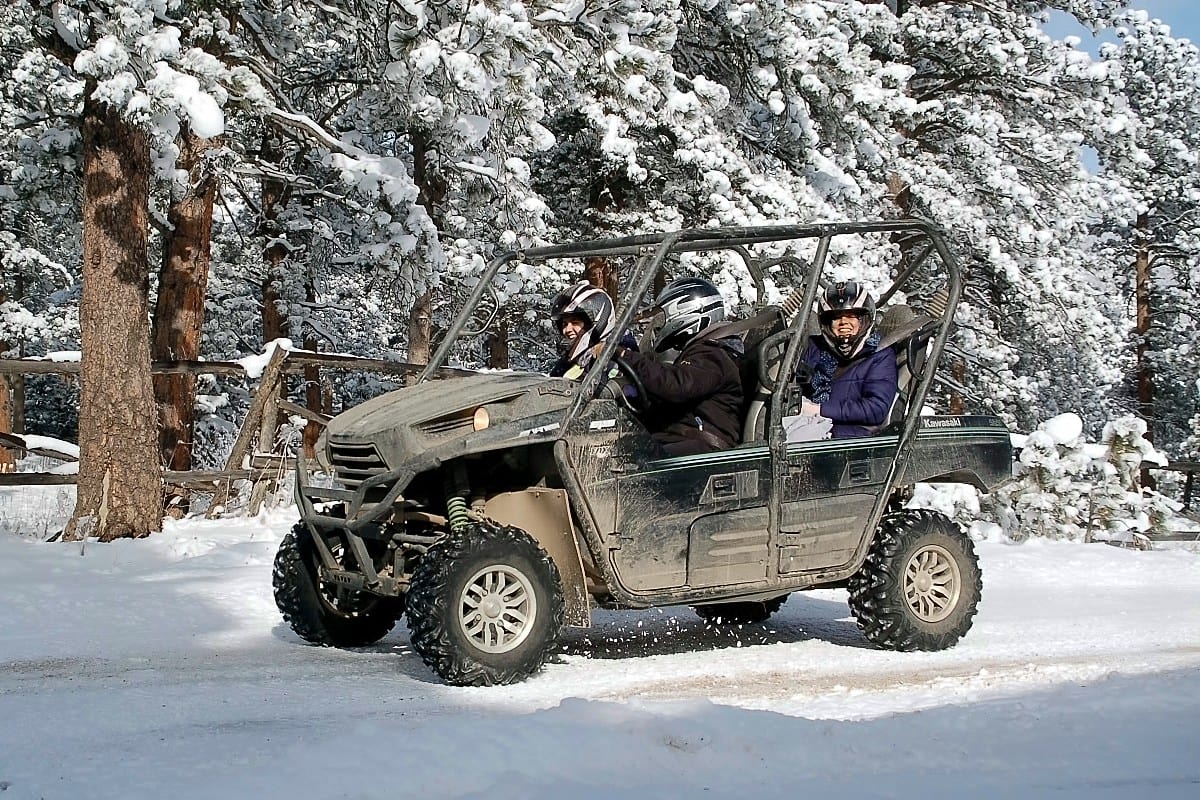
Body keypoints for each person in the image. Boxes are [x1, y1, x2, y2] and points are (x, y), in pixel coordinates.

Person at [611, 277, 744, 456]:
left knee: (634, 465)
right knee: (612, 451)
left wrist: (625, 355)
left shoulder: (713, 356)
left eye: (662, 316)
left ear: (685, 312)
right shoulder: (697, 353)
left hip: (704, 450)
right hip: (679, 442)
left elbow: (675, 385)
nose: (658, 325)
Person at [795, 280, 898, 438]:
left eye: (851, 316)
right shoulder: (815, 349)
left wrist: (819, 410)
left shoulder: (880, 356)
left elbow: (876, 409)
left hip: (850, 443)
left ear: (863, 320)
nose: (843, 322)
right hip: (807, 431)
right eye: (836, 318)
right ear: (827, 324)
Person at [548, 280, 636, 380]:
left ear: (596, 321)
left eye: (575, 322)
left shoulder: (617, 360)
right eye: (564, 324)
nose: (567, 329)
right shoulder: (570, 363)